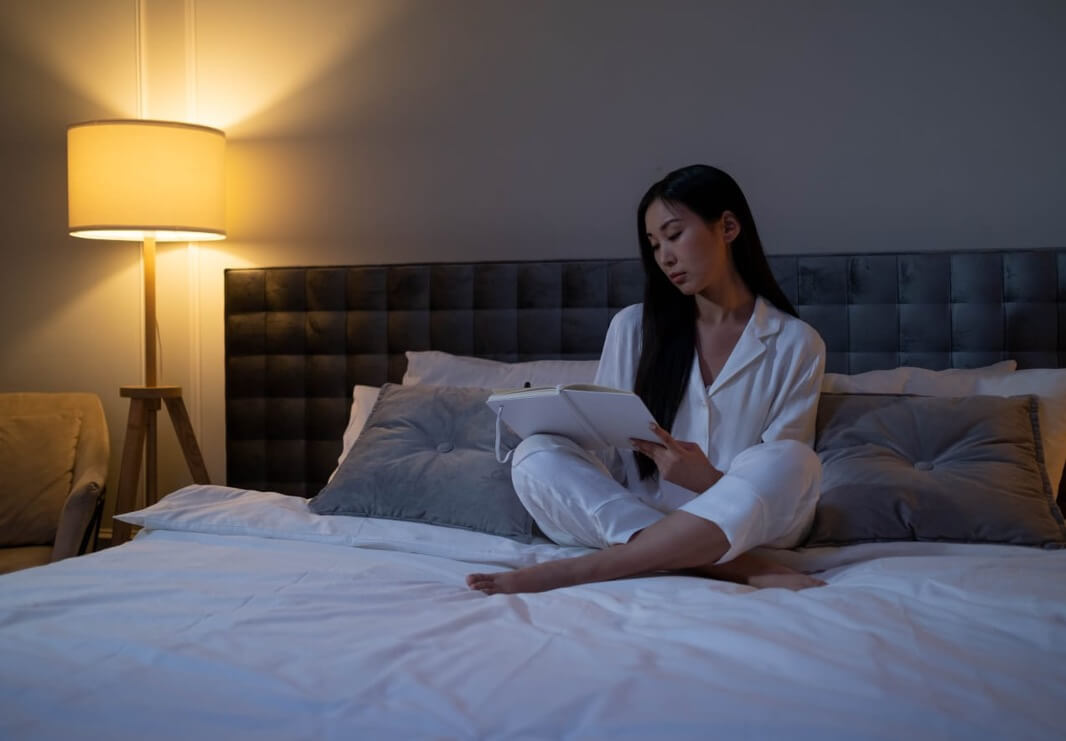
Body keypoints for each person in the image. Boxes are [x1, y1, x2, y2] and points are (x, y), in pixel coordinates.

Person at [467, 164, 826, 595]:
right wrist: (551, 423)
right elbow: (609, 456)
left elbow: (776, 485)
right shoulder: (633, 328)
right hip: (641, 511)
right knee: (534, 455)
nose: (664, 258)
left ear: (728, 227)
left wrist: (705, 478)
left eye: (674, 235)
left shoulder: (796, 342)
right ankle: (723, 565)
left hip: (746, 526)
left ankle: (582, 570)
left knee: (793, 459)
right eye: (655, 245)